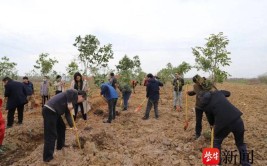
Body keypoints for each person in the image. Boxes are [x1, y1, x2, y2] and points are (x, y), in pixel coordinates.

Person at [198, 89, 251, 166]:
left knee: (216, 141)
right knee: (240, 144)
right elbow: (228, 93)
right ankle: (245, 163)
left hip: (223, 125)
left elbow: (211, 121)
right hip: (237, 120)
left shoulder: (205, 106)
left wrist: (213, 129)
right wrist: (218, 91)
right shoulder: (218, 93)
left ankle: (217, 163)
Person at [42, 89, 87, 163]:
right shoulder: (74, 93)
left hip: (55, 113)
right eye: (82, 100)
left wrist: (73, 126)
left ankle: (60, 145)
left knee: (62, 127)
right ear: (81, 96)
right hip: (49, 110)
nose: (81, 102)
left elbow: (68, 115)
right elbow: (69, 91)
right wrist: (69, 103)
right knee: (51, 135)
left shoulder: (74, 102)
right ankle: (47, 158)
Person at [187, 74, 206, 139]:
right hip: (200, 106)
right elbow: (195, 92)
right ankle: (198, 134)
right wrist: (189, 93)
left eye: (195, 82)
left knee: (201, 120)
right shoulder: (199, 84)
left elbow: (198, 92)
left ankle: (212, 134)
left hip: (205, 105)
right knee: (198, 120)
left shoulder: (206, 84)